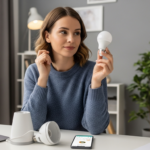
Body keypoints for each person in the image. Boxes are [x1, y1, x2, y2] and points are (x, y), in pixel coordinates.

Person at [21, 7, 113, 135]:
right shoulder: (33, 72)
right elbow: (31, 124)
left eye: (77, 33)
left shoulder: (94, 71)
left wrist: (96, 82)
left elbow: (96, 128)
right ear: (47, 36)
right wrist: (43, 79)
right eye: (63, 32)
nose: (71, 39)